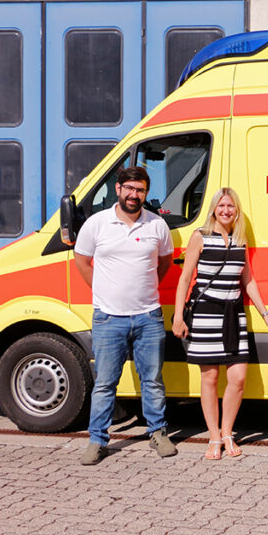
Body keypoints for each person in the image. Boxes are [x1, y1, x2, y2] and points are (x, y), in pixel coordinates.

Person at [172, 188, 268, 460]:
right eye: (222, 205)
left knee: (237, 378)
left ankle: (227, 432)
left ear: (237, 210)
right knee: (210, 377)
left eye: (231, 206)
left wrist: (266, 316)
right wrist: (178, 316)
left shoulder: (240, 240)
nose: (226, 210)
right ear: (214, 208)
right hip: (206, 313)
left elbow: (247, 280)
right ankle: (213, 436)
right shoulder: (199, 237)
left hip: (233, 314)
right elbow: (185, 278)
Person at [74, 166, 177, 465]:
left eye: (140, 190)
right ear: (117, 190)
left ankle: (158, 433)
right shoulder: (97, 224)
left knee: (153, 381)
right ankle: (97, 440)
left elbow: (165, 262)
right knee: (105, 383)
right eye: (129, 189)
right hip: (108, 318)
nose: (134, 195)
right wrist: (103, 290)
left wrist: (144, 288)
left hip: (148, 316)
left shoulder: (156, 225)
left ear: (146, 193)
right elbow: (82, 261)